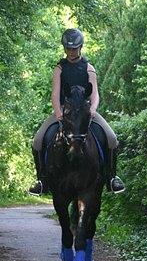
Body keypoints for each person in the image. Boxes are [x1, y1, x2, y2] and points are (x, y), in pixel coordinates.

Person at [29, 28, 126, 196]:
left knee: (112, 139)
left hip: (86, 113)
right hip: (64, 113)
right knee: (38, 141)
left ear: (80, 47)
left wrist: (93, 110)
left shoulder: (89, 68)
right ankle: (42, 180)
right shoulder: (59, 68)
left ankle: (111, 178)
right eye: (68, 48)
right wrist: (58, 113)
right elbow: (55, 93)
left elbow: (95, 94)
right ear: (64, 48)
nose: (71, 51)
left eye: (74, 48)